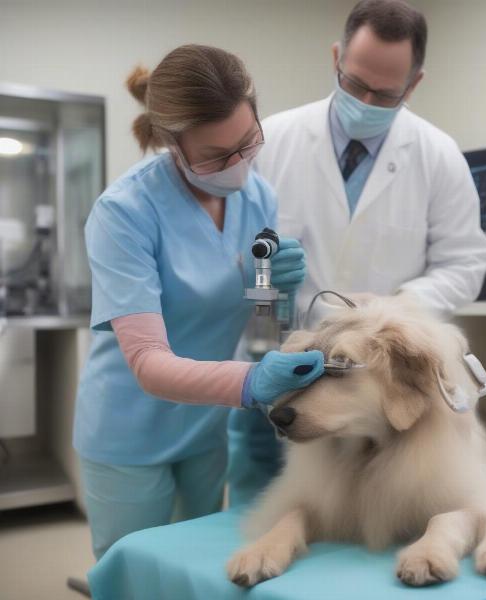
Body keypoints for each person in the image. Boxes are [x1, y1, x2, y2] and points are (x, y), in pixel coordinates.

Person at [228, 0, 486, 504]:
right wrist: (263, 279)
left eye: (385, 92)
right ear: (336, 57)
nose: (365, 99)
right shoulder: (272, 141)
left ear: (413, 84)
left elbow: (466, 263)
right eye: (354, 83)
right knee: (261, 519)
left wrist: (397, 308)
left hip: (372, 387)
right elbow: (235, 253)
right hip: (276, 360)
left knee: (363, 521)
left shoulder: (438, 157)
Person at [73, 44, 324, 561]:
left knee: (199, 569)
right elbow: (147, 363)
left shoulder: (259, 197)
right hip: (129, 432)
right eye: (214, 154)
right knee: (134, 575)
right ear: (170, 142)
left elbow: (260, 311)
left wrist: (280, 292)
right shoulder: (124, 214)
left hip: (206, 422)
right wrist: (252, 382)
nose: (237, 165)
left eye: (248, 142)